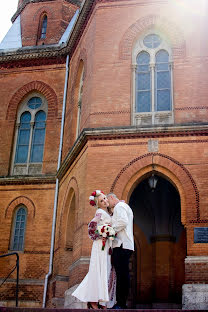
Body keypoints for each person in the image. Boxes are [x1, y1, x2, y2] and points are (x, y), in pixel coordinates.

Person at [72, 190, 116, 309]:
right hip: (99, 245)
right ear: (98, 204)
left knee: (103, 271)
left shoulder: (106, 212)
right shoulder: (99, 212)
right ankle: (92, 299)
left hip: (105, 245)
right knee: (98, 270)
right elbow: (91, 226)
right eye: (102, 201)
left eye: (105, 198)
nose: (105, 201)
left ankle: (100, 300)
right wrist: (100, 235)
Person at [107, 193, 134, 309]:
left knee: (122, 275)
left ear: (112, 198)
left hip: (121, 245)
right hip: (125, 245)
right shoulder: (123, 206)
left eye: (108, 201)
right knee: (122, 274)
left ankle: (121, 303)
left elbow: (123, 222)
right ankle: (121, 302)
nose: (108, 205)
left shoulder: (119, 206)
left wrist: (110, 231)